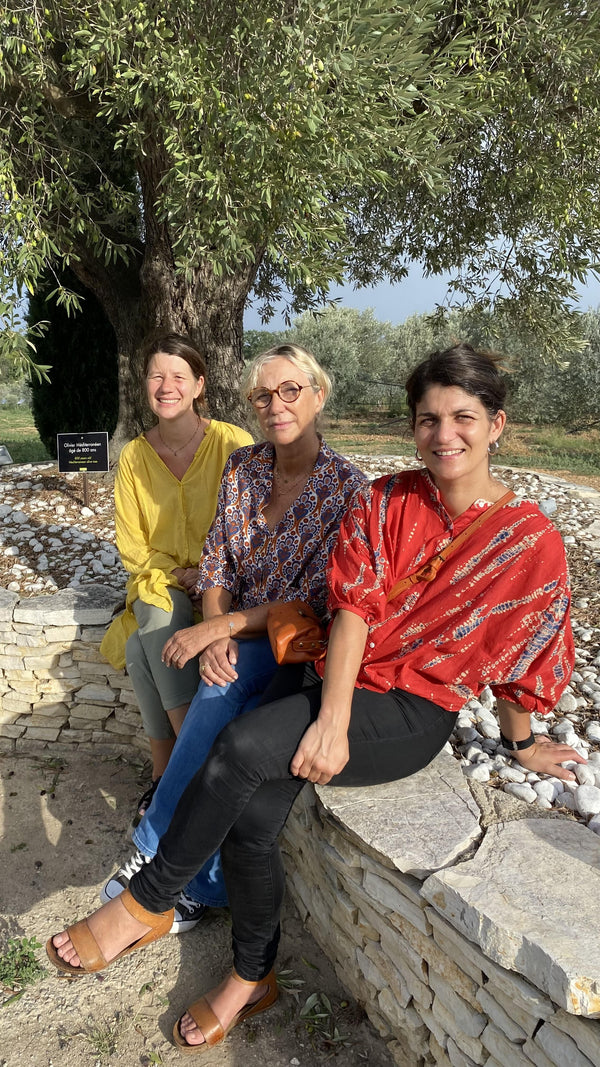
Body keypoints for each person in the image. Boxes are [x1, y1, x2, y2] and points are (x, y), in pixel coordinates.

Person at [48, 343, 583, 1055]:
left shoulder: (530, 542)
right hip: (335, 674)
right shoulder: (387, 500)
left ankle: (146, 900)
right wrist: (329, 710)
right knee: (251, 819)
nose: (443, 434)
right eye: (428, 418)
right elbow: (353, 606)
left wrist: (519, 743)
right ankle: (251, 975)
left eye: (462, 417)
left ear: (497, 424)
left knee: (240, 746)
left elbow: (520, 656)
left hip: (409, 707)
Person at [99, 343, 366, 931]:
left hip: (295, 644)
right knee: (207, 676)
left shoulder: (346, 488)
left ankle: (156, 842)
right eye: (263, 395)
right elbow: (218, 562)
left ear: (318, 396)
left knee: (222, 693)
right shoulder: (245, 468)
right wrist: (216, 629)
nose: (276, 405)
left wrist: (221, 626)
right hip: (240, 632)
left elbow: (321, 600)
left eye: (290, 390)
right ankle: (197, 888)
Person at [99, 332, 252, 817]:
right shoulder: (133, 457)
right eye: (155, 376)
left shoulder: (232, 443)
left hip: (226, 583)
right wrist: (178, 574)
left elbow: (248, 530)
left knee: (137, 648)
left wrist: (204, 573)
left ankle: (166, 771)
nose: (166, 386)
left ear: (199, 385)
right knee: (158, 610)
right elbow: (134, 549)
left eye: (178, 376)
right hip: (159, 582)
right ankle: (192, 763)